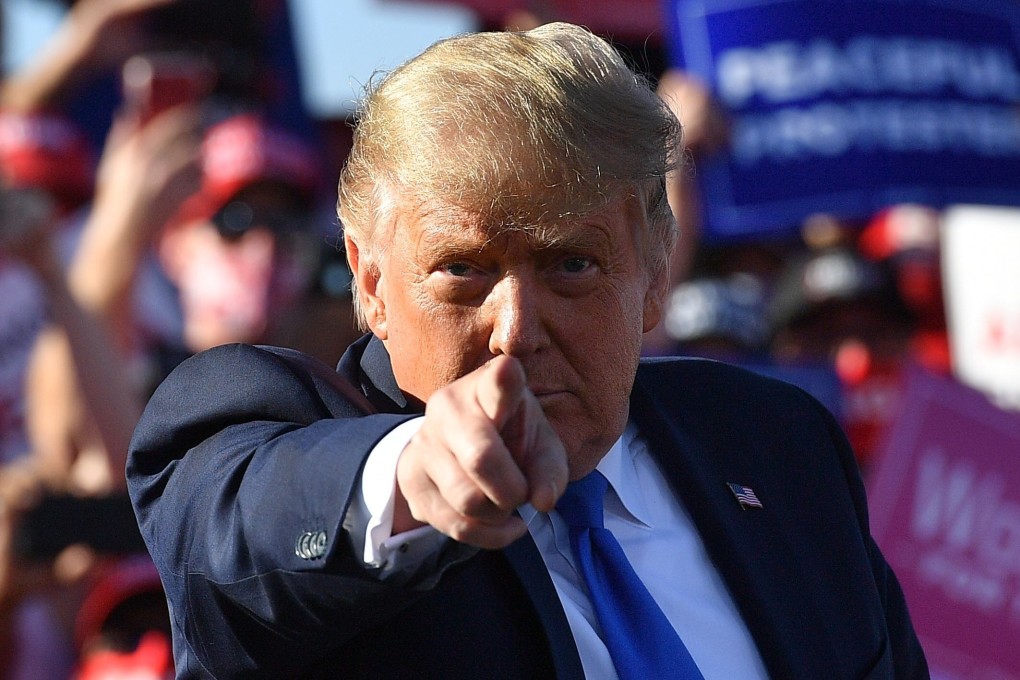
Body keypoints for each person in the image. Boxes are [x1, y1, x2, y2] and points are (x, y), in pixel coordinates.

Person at [127, 22, 929, 679]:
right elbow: (246, 526)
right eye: (463, 270)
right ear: (370, 280)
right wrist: (418, 476)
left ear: (655, 271)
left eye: (571, 265)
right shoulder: (255, 427)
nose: (515, 327)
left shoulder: (779, 443)